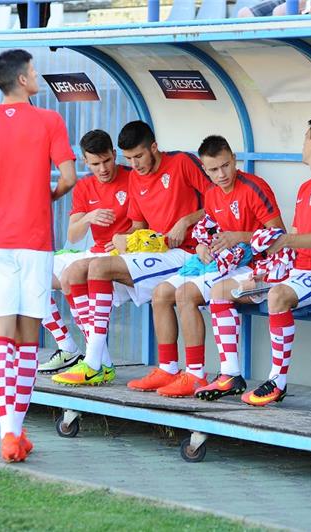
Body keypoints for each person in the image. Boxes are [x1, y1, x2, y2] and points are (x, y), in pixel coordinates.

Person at [0, 49, 77, 462]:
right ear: (24, 79)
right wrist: (46, 196)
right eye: (34, 71)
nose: (38, 77)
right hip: (34, 241)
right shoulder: (49, 121)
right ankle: (15, 431)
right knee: (29, 339)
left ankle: (9, 432)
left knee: (1, 336)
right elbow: (68, 177)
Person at [201, 117, 311, 406]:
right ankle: (230, 374)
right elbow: (292, 239)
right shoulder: (306, 187)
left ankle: (277, 382)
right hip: (296, 270)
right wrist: (270, 267)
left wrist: (285, 241)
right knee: (220, 291)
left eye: (305, 135)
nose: (303, 141)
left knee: (278, 295)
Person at [52, 120, 211, 386]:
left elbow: (218, 198)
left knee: (98, 268)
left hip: (187, 252)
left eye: (138, 156)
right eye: (129, 158)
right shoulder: (135, 178)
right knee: (77, 270)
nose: (134, 164)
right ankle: (100, 360)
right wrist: (125, 240)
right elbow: (139, 226)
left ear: (154, 147)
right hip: (156, 252)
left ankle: (93, 364)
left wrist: (186, 221)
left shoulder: (182, 162)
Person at [133, 135, 284, 397]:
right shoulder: (212, 195)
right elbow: (209, 228)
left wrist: (240, 236)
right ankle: (168, 368)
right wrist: (203, 246)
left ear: (234, 160)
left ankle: (194, 374)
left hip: (257, 267)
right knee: (161, 294)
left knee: (185, 294)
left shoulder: (254, 187)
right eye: (213, 170)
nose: (221, 174)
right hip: (226, 265)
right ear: (205, 170)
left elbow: (278, 235)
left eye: (225, 166)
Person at [38, 129, 131, 377]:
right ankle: (68, 347)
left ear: (114, 154)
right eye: (95, 163)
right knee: (32, 274)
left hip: (122, 257)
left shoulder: (133, 178)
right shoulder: (85, 187)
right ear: (84, 161)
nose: (102, 169)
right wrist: (89, 217)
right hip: (94, 252)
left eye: (107, 161)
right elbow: (73, 235)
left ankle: (97, 360)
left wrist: (127, 239)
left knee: (71, 275)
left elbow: (149, 221)